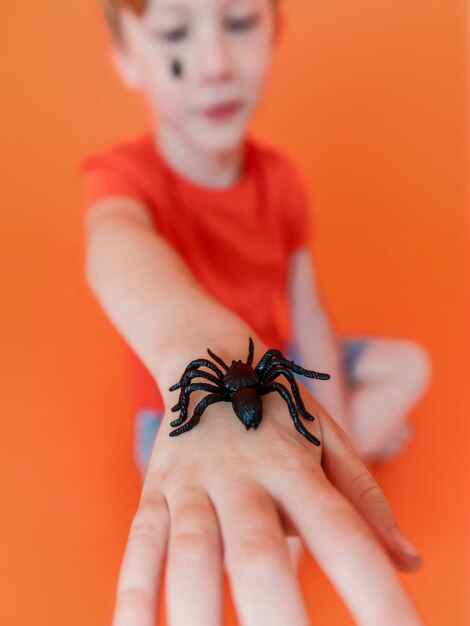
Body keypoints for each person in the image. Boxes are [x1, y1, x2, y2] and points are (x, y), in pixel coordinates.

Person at [80, 0, 431, 624]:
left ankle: (325, 460)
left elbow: (310, 312)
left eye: (239, 22)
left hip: (275, 358)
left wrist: (336, 423)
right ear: (127, 58)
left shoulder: (281, 180)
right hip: (175, 407)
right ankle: (299, 484)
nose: (214, 63)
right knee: (254, 533)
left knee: (411, 367)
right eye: (174, 33)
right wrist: (196, 343)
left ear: (275, 34)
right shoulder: (124, 180)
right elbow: (114, 244)